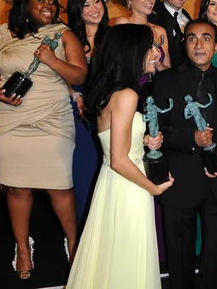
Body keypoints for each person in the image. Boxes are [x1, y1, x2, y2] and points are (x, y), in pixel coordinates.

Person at [0, 0, 88, 279]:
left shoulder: (63, 34)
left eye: (52, 1)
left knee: (60, 186)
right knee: (16, 186)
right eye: (41, 0)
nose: (49, 5)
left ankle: (74, 242)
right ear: (25, 3)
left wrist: (51, 60)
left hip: (52, 118)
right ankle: (23, 248)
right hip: (10, 118)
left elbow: (79, 73)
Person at [66, 24, 173, 288]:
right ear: (132, 52)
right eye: (149, 47)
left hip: (115, 184)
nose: (155, 53)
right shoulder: (127, 95)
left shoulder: (111, 92)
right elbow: (119, 159)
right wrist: (155, 189)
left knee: (113, 257)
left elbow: (114, 141)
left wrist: (144, 140)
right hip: (129, 187)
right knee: (127, 258)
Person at [152, 19, 217, 289]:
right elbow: (156, 129)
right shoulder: (165, 81)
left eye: (206, 38)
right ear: (184, 43)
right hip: (179, 181)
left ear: (216, 46)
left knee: (216, 260)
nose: (199, 44)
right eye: (192, 38)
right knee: (179, 260)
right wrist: (191, 138)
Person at [66, 0, 109, 227]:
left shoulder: (112, 36)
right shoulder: (67, 39)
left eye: (96, 1)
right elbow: (56, 76)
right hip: (80, 115)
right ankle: (83, 236)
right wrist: (74, 93)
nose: (94, 8)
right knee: (84, 173)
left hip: (110, 113)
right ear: (76, 10)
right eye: (85, 5)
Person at [115, 0, 170, 72]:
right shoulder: (123, 24)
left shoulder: (160, 31)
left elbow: (167, 71)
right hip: (131, 86)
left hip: (156, 86)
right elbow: (119, 65)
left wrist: (158, 64)